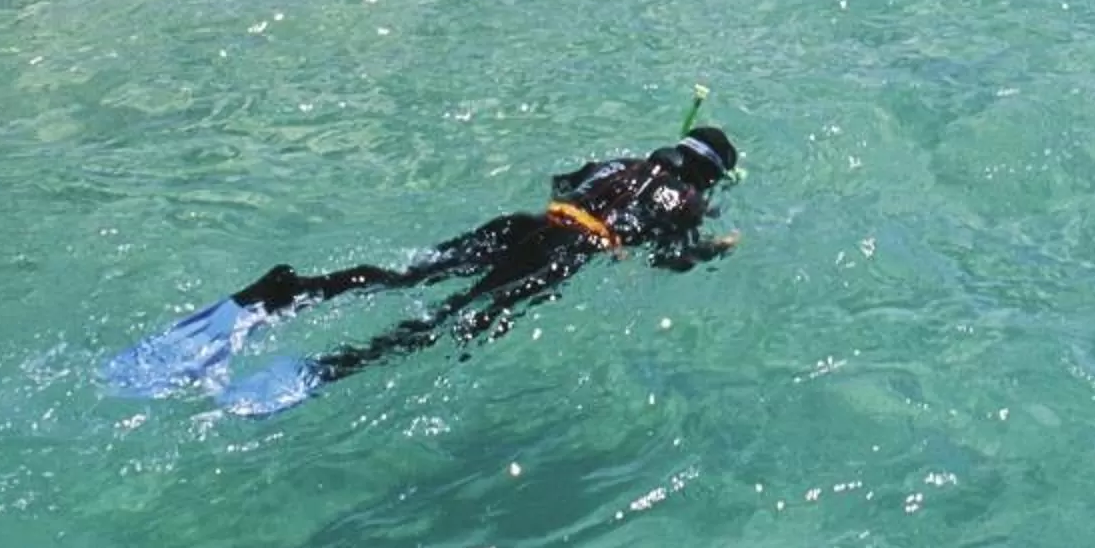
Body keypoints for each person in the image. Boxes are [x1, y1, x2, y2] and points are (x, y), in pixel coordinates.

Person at [105, 126, 740, 415]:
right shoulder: (686, 201)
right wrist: (714, 248)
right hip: (561, 255)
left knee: (401, 276)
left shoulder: (621, 160)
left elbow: (562, 180)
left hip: (528, 222)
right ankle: (324, 369)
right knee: (442, 325)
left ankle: (280, 295)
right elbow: (671, 256)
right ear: (709, 176)